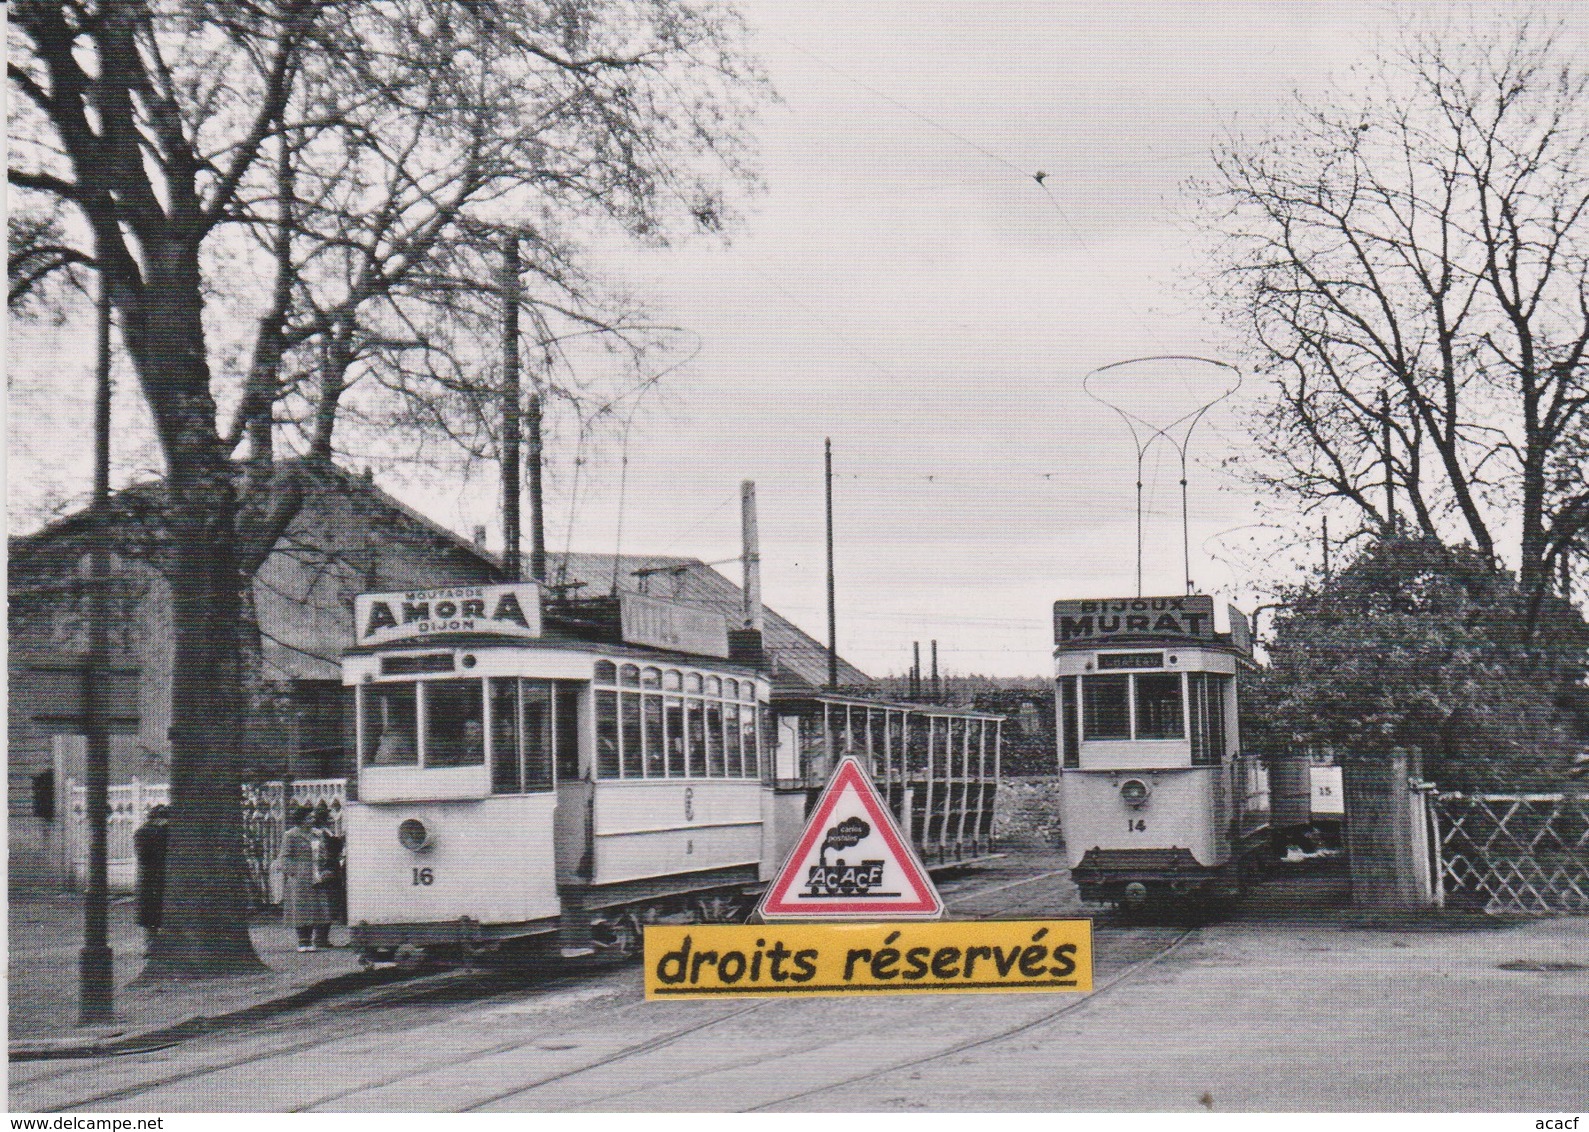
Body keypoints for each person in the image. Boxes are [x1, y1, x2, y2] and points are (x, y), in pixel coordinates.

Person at [277, 805, 333, 951]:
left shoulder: (318, 834)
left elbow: (324, 853)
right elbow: (285, 857)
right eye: (309, 818)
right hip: (301, 874)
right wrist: (294, 872)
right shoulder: (291, 835)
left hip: (317, 872)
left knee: (317, 906)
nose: (312, 820)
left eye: (313, 817)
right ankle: (303, 941)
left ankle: (316, 939)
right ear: (301, 820)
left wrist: (325, 868)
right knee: (301, 907)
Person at [133, 804, 170, 952]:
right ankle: (152, 946)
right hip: (155, 877)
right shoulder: (158, 833)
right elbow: (144, 857)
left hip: (149, 878)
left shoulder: (142, 832)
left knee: (151, 917)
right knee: (155, 915)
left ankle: (151, 946)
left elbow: (142, 857)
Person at [312, 801, 347, 929]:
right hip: (326, 866)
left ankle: (324, 935)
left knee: (332, 900)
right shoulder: (318, 833)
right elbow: (323, 851)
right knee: (326, 901)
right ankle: (321, 936)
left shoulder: (326, 830)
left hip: (332, 864)